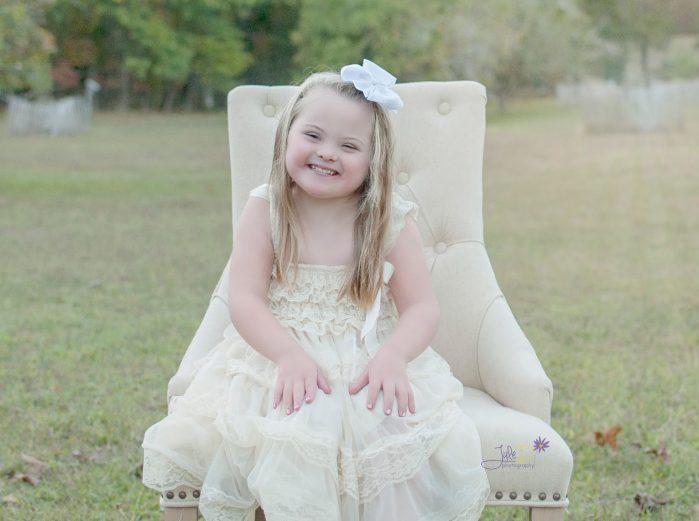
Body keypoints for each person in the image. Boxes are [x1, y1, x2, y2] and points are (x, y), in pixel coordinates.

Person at [141, 59, 490, 521]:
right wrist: (287, 355)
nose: (327, 152)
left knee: (386, 440)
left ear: (373, 160)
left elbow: (421, 308)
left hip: (367, 358)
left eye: (348, 145)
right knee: (286, 439)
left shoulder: (387, 218)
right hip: (278, 355)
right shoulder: (266, 209)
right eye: (313, 136)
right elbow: (243, 299)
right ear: (287, 134)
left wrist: (394, 356)